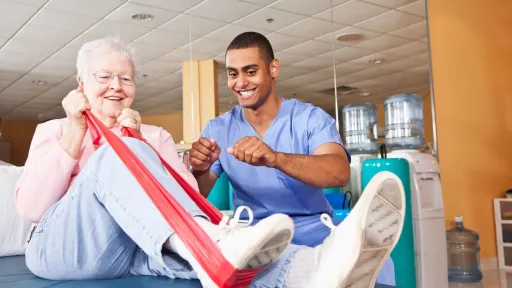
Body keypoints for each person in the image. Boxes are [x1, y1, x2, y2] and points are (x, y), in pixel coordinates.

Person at [14, 36, 405, 288]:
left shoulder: (156, 137)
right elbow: (32, 209)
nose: (116, 86)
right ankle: (217, 244)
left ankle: (312, 267)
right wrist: (80, 132)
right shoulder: (57, 130)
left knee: (212, 254)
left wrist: (152, 149)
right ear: (81, 84)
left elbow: (182, 203)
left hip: (131, 249)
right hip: (64, 247)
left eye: (126, 79)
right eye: (104, 77)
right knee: (126, 155)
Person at [189, 31, 396, 285]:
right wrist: (199, 170)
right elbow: (195, 195)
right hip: (254, 239)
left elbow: (339, 172)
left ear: (273, 68)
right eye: (233, 74)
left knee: (382, 266)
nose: (240, 82)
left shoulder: (310, 118)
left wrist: (275, 157)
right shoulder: (217, 129)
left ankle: (355, 237)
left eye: (250, 71)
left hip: (312, 232)